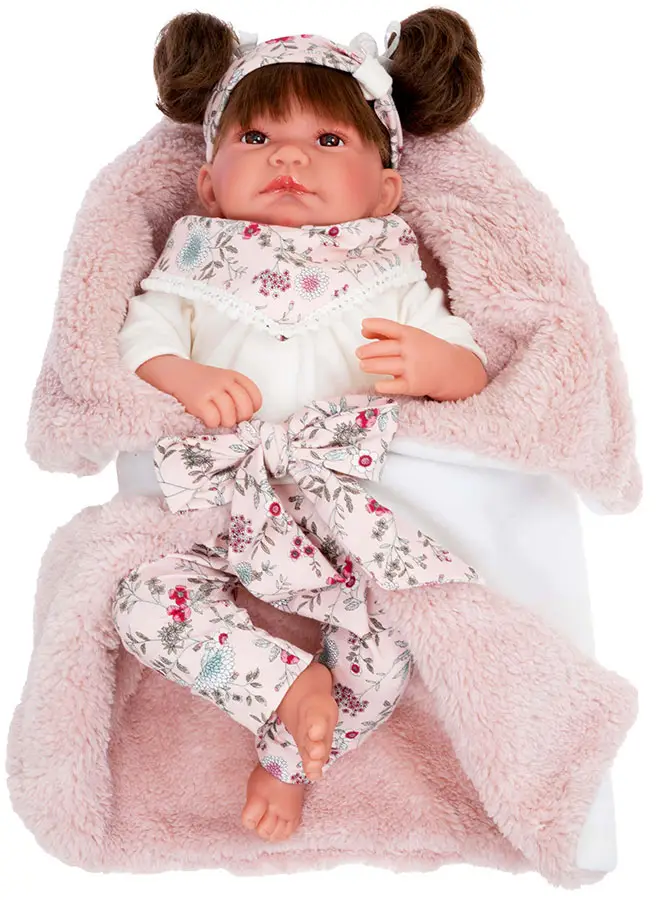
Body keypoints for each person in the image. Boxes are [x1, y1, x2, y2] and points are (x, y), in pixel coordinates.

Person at [113, 10, 488, 844]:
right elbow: (139, 340)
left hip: (345, 511)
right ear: (209, 185)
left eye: (327, 141)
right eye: (256, 137)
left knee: (387, 647)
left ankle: (287, 760)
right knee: (142, 604)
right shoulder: (194, 261)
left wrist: (435, 364)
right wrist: (183, 374)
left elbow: (469, 365)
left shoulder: (389, 269)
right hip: (226, 503)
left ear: (383, 192)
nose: (288, 157)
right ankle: (281, 683)